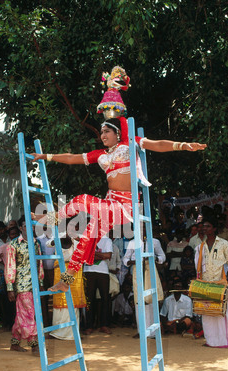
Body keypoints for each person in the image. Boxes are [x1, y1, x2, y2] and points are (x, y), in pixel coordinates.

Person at [31, 67, 206, 293]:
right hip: (110, 203)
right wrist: (46, 156)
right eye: (101, 132)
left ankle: (51, 219)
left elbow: (157, 144)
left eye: (106, 131)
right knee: (88, 235)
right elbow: (73, 158)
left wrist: (183, 145)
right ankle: (67, 278)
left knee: (83, 198)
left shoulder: (129, 143)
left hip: (126, 205)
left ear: (116, 132)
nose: (102, 135)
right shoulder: (100, 155)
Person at [194, 217, 228, 348]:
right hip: (205, 284)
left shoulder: (224, 244)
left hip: (220, 282)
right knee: (207, 313)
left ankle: (227, 341)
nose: (204, 228)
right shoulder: (200, 247)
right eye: (204, 227)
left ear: (214, 229)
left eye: (207, 226)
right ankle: (211, 341)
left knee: (222, 313)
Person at [5, 215, 44, 354]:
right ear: (21, 228)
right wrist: (10, 288)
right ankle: (34, 344)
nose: (30, 228)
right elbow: (10, 266)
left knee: (22, 314)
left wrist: (40, 282)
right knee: (29, 313)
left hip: (34, 284)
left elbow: (40, 264)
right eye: (26, 225)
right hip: (21, 286)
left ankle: (15, 343)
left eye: (32, 225)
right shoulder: (13, 245)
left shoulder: (36, 243)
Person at [50, 236, 86, 340]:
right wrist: (58, 240)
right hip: (60, 272)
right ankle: (58, 332)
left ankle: (72, 334)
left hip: (74, 273)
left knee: (73, 302)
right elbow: (49, 243)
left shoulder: (78, 238)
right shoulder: (57, 236)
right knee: (60, 300)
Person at [83, 235, 113, 334]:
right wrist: (101, 255)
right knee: (89, 298)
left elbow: (108, 256)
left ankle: (104, 325)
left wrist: (92, 253)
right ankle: (89, 326)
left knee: (105, 298)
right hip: (88, 271)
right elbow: (84, 255)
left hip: (103, 272)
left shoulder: (107, 239)